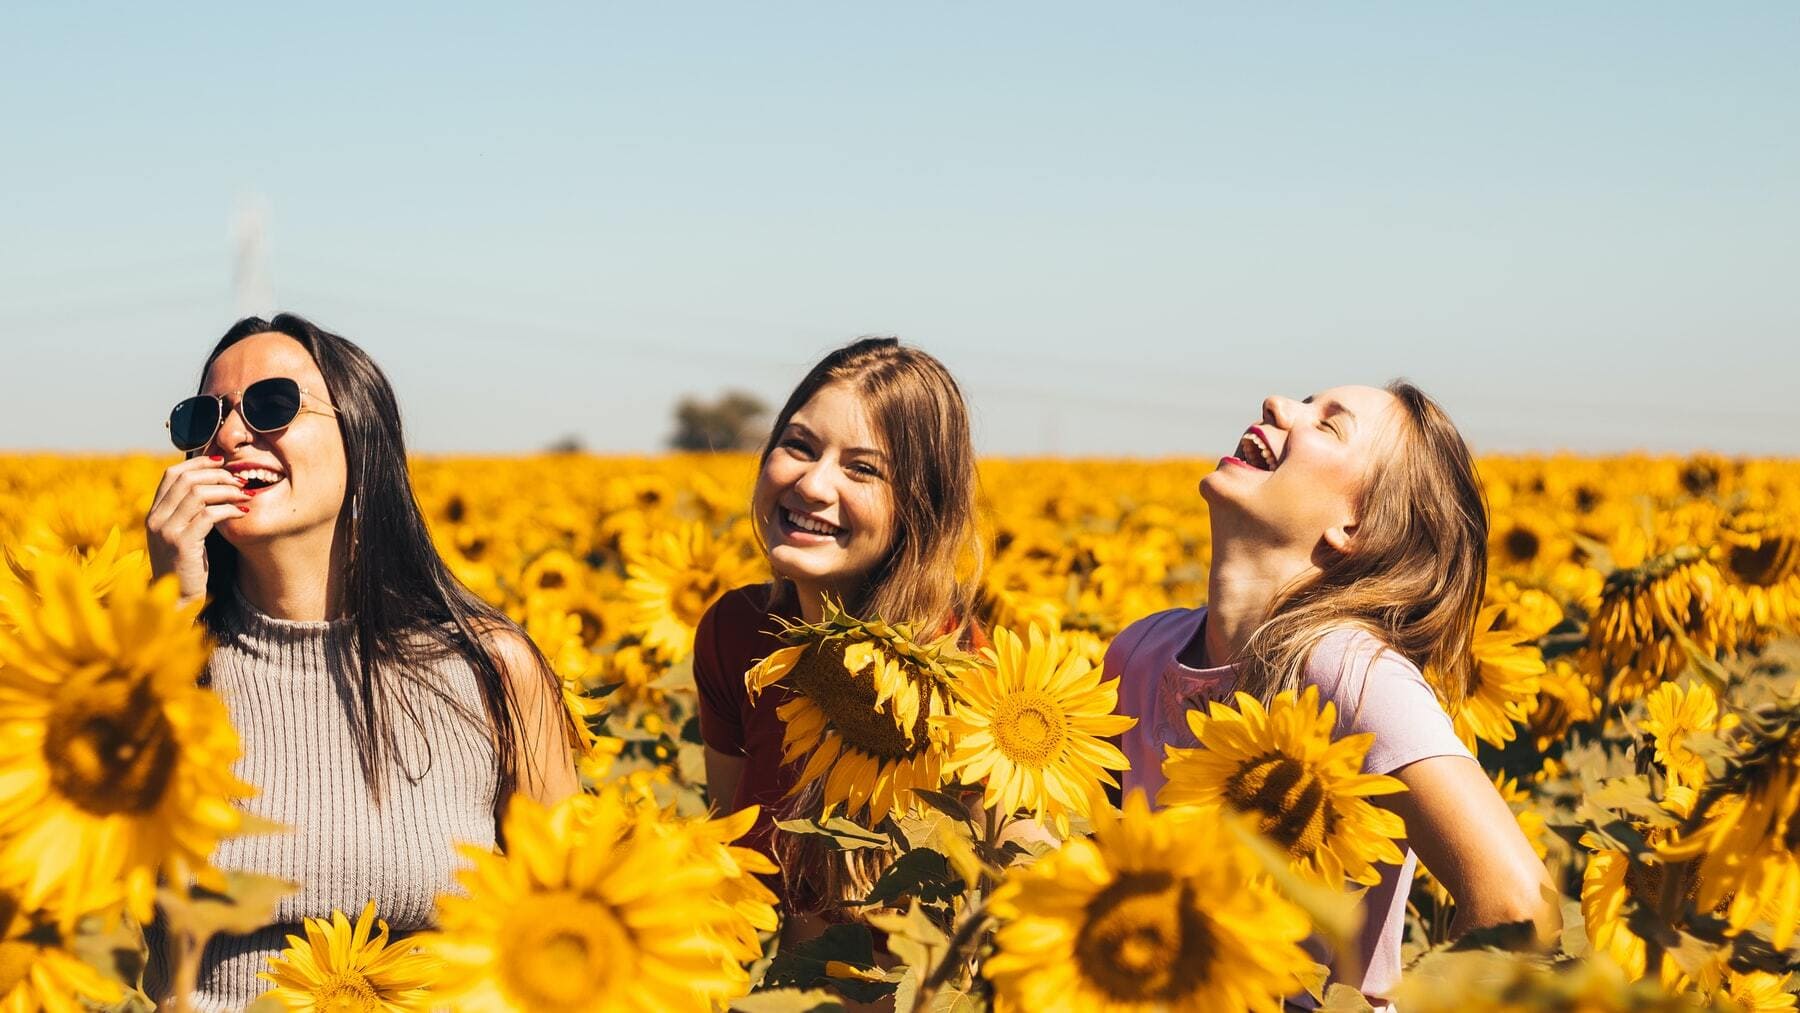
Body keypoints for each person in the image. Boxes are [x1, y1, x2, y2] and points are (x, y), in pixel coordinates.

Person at [142, 314, 578, 1010]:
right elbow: (71, 885)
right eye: (205, 416)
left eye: (271, 405)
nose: (228, 435)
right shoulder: (154, 666)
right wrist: (163, 620)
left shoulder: (491, 670)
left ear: (361, 434)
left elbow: (574, 925)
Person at [1106, 383, 1555, 1008]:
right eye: (1303, 401)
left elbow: (1518, 904)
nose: (1276, 405)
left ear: (1356, 526)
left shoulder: (1347, 671)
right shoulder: (1141, 652)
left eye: (1327, 425)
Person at [695, 336, 983, 927]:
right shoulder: (738, 633)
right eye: (798, 446)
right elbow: (730, 862)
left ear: (919, 505)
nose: (813, 485)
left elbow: (979, 921)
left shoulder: (969, 679)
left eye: (863, 469)